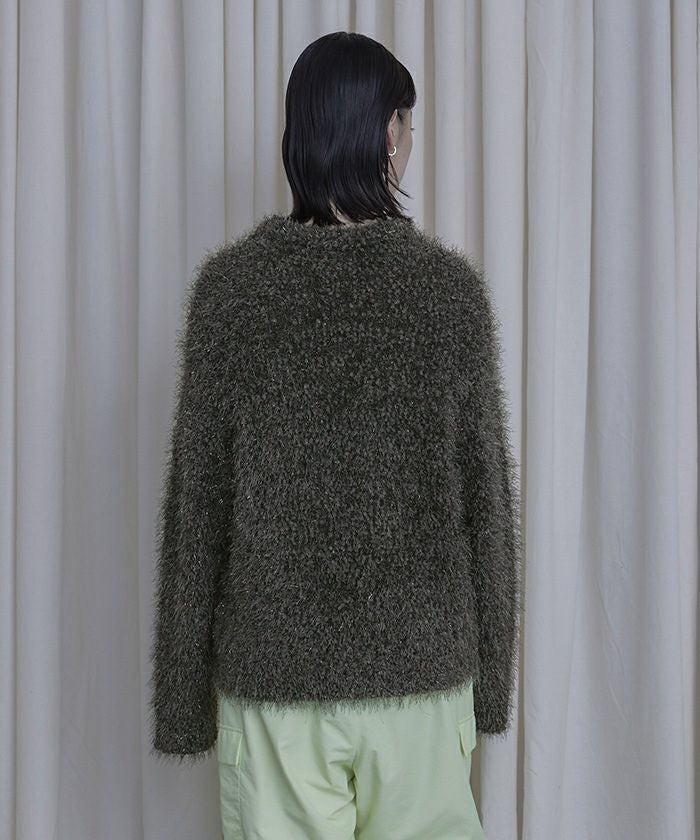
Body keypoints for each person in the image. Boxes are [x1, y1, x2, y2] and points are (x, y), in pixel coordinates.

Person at [148, 30, 522, 840]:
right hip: (421, 683)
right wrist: (491, 682)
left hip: (275, 687)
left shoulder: (231, 295)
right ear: (388, 132)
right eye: (408, 124)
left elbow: (197, 511)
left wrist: (182, 702)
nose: (410, 142)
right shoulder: (449, 295)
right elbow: (486, 508)